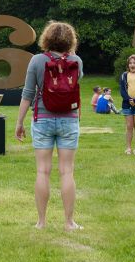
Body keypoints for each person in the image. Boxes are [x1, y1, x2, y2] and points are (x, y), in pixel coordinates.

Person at [15, 21, 84, 230]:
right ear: (70, 40)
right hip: (69, 119)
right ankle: (69, 222)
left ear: (47, 38)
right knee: (67, 172)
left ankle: (41, 222)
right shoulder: (76, 60)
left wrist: (19, 122)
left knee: (43, 171)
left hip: (43, 119)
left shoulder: (37, 60)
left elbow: (28, 93)